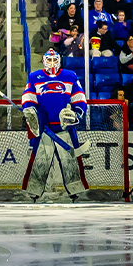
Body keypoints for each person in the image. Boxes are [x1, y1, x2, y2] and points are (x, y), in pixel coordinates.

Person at [20, 48, 88, 201]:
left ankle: (76, 190)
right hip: (44, 127)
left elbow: (79, 98)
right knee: (41, 160)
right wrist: (30, 111)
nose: (52, 63)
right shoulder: (34, 77)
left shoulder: (70, 76)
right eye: (49, 60)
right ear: (44, 61)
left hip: (66, 126)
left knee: (70, 160)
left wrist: (77, 113)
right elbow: (28, 97)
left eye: (54, 60)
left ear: (60, 61)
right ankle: (34, 191)